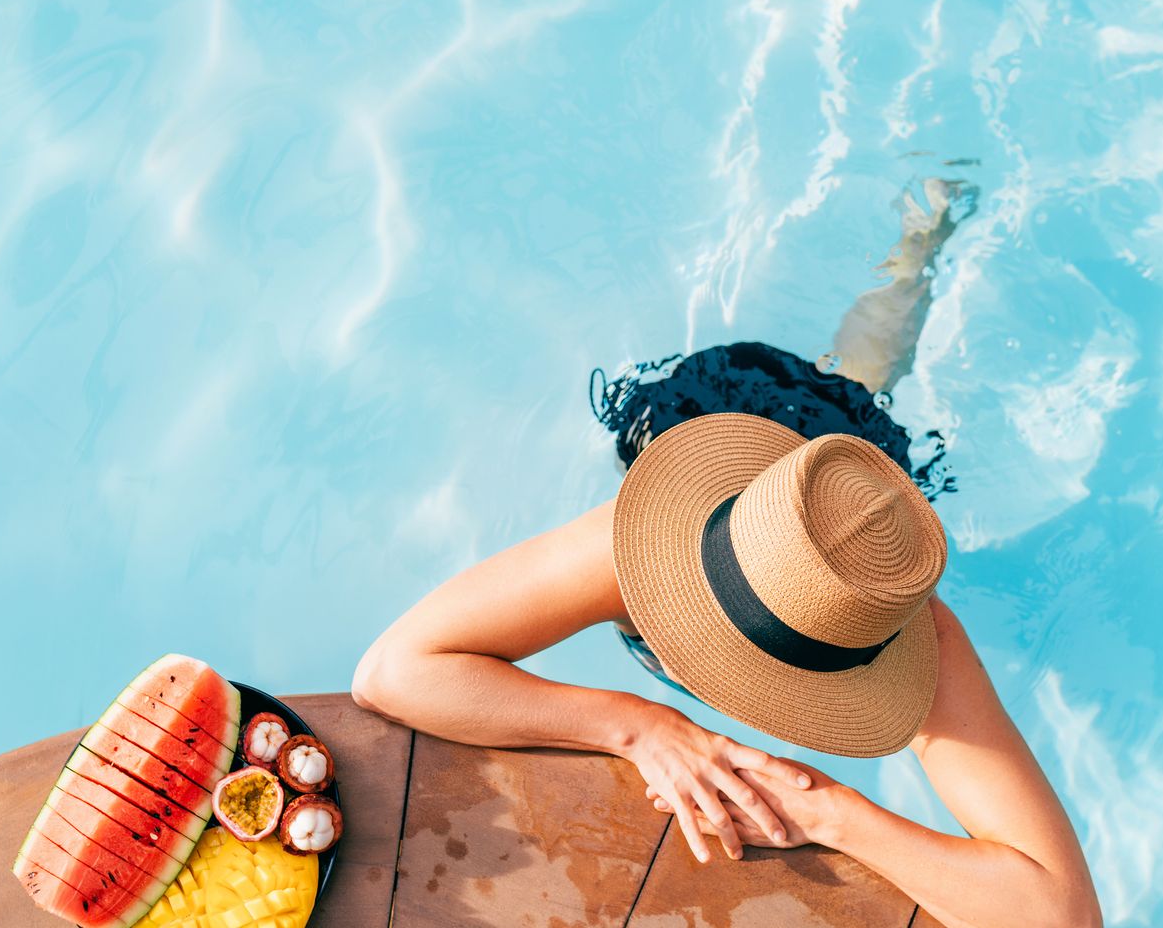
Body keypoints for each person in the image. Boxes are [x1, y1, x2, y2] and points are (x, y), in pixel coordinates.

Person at [353, 184, 1101, 928]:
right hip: (717, 436)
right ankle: (909, 258)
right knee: (845, 376)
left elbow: (1060, 915)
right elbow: (395, 671)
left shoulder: (908, 627)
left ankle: (915, 257)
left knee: (864, 381)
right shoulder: (631, 545)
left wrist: (835, 812)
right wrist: (638, 726)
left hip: (835, 481)